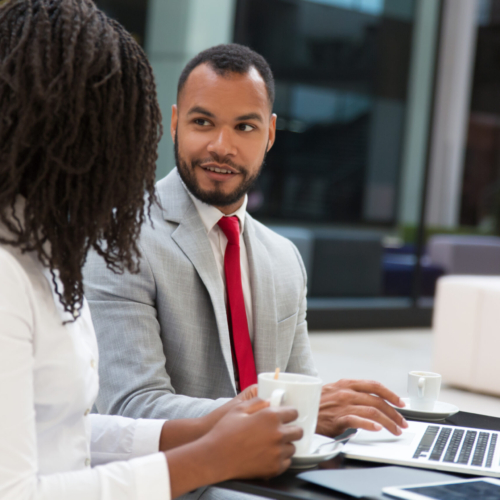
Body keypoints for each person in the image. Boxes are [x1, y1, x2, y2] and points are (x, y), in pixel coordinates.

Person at [0, 2, 303, 499]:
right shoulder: (10, 271)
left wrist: (219, 424)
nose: (131, 158)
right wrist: (209, 457)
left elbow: (68, 431)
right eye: (118, 133)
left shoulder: (45, 255)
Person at [84, 42, 408, 440]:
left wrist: (346, 415)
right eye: (203, 122)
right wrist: (290, 409)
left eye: (244, 127)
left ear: (270, 133)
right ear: (174, 123)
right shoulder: (120, 240)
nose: (222, 146)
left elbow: (307, 400)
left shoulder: (284, 257)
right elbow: (133, 408)